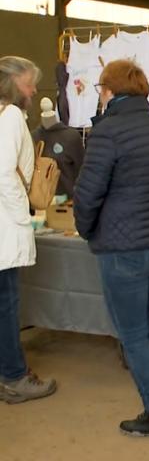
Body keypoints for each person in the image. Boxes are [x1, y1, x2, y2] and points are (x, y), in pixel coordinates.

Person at [73, 60, 149, 436]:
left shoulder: (108, 133)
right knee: (146, 322)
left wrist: (87, 231)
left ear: (108, 91)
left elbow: (88, 194)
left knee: (132, 332)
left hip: (124, 246)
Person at [0, 56, 57, 405]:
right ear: (12, 84)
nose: (34, 90)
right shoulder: (10, 119)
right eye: (28, 83)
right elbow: (4, 173)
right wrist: (22, 214)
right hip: (6, 225)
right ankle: (15, 377)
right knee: (6, 304)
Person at [32, 96, 85, 197]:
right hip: (39, 201)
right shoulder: (32, 138)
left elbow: (82, 170)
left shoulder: (71, 137)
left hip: (67, 202)